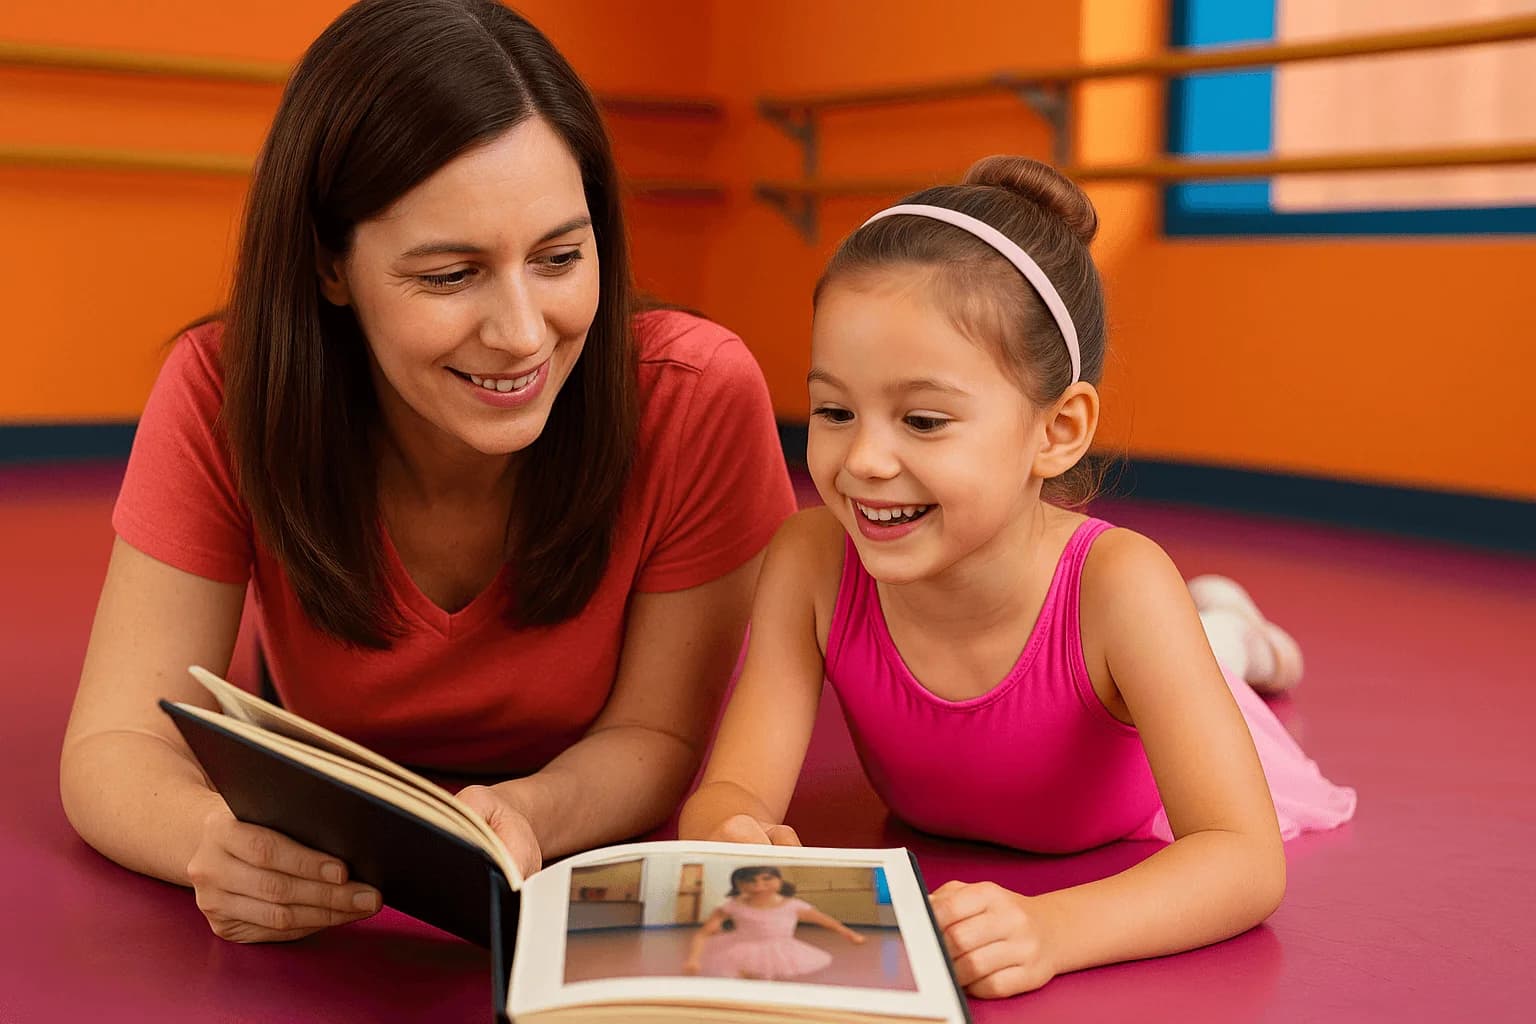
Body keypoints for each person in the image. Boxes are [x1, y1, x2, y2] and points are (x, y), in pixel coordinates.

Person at [58, 0, 794, 945]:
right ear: (330, 266)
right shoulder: (223, 388)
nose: (524, 333)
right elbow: (114, 746)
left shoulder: (695, 394)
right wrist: (217, 841)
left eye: (560, 257)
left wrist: (531, 813)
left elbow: (654, 738)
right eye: (450, 275)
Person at [678, 156, 1355, 997]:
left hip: (1136, 691)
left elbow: (1245, 860)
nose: (863, 461)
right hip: (1104, 671)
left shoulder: (1124, 585)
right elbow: (734, 786)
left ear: (1058, 430)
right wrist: (730, 831)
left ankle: (1236, 634)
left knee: (1213, 650)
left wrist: (1056, 926)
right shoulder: (811, 561)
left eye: (923, 420)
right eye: (834, 410)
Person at [683, 867, 865, 980]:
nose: (759, 886)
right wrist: (693, 958)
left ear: (779, 880)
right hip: (741, 950)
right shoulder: (732, 906)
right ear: (739, 884)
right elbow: (703, 934)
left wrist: (850, 934)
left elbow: (827, 922)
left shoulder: (793, 906)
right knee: (744, 981)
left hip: (781, 952)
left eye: (766, 879)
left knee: (770, 982)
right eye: (751, 882)